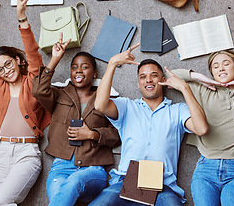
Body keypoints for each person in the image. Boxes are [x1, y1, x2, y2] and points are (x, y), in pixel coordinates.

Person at [89, 43, 209, 206]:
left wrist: (185, 88)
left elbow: (202, 129)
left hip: (163, 187)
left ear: (163, 81)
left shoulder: (177, 110)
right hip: (124, 183)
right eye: (143, 77)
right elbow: (100, 105)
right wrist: (112, 64)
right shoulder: (127, 106)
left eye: (154, 75)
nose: (149, 80)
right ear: (138, 84)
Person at [0, 0, 51, 206]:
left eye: (9, 63)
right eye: (0, 69)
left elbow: (33, 55)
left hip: (26, 153)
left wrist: (22, 18)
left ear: (18, 60)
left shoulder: (32, 81)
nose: (6, 71)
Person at [170, 49, 234, 206]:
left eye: (226, 63)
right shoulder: (201, 91)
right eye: (215, 67)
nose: (220, 68)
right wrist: (200, 78)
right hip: (205, 169)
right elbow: (166, 76)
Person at [32, 34, 121, 206]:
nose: (78, 70)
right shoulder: (59, 94)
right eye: (74, 67)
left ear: (94, 73)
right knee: (60, 197)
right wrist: (55, 59)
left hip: (93, 169)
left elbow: (117, 134)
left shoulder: (104, 101)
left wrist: (92, 134)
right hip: (61, 167)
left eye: (84, 67)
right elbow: (38, 91)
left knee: (73, 183)